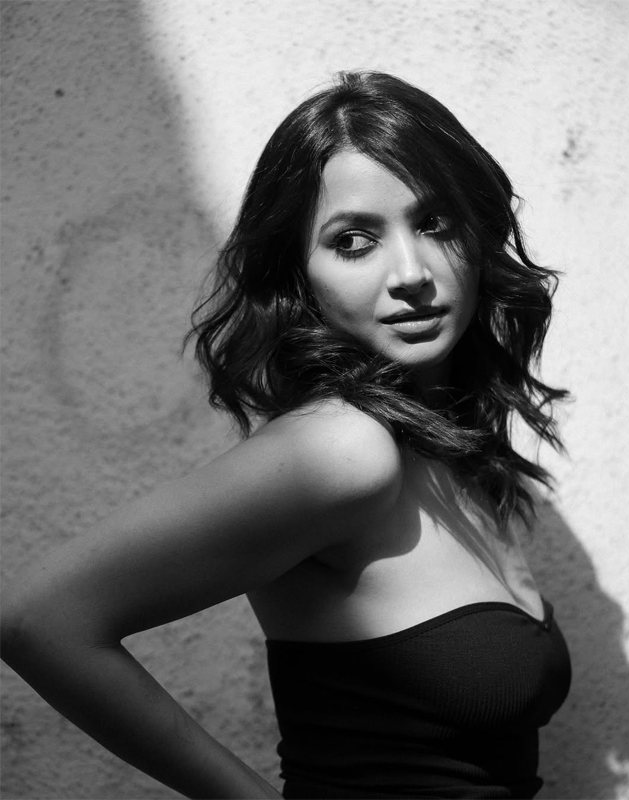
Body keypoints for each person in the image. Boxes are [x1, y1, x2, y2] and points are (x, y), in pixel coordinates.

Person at [1, 71, 571, 799]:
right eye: (354, 240)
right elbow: (41, 620)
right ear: (299, 273)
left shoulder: (453, 444)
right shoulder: (344, 451)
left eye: (434, 223)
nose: (410, 273)